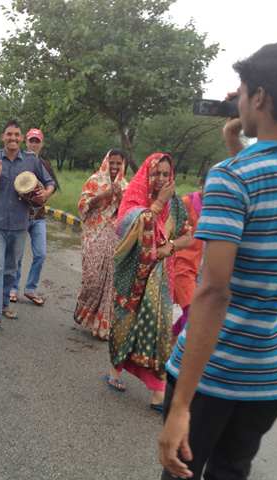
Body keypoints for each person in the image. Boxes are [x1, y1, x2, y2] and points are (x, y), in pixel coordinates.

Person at [159, 42, 277, 480]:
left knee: (181, 473)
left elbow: (214, 292)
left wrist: (179, 407)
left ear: (259, 98)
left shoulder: (231, 178)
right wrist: (236, 140)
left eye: (243, 89)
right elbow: (270, 204)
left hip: (213, 375)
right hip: (270, 377)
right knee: (233, 472)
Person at [105, 153, 192, 409]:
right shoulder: (134, 198)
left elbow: (188, 236)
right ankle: (115, 368)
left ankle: (158, 388)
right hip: (131, 275)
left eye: (167, 174)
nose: (162, 179)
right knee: (126, 322)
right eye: (157, 174)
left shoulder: (175, 205)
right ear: (148, 174)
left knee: (159, 328)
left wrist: (171, 245)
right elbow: (131, 228)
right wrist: (157, 203)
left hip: (161, 277)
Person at [0, 119, 57, 329]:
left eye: (16, 134)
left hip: (20, 225)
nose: (12, 138)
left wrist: (45, 193)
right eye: (9, 134)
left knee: (10, 269)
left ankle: (5, 304)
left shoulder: (31, 161)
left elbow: (50, 183)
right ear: (2, 136)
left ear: (21, 138)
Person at [74, 149, 129, 340]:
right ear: (106, 161)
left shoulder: (125, 186)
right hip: (93, 231)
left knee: (109, 282)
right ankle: (82, 304)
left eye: (118, 163)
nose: (114, 167)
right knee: (92, 275)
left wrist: (120, 196)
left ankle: (102, 326)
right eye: (111, 162)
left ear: (123, 164)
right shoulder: (94, 180)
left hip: (114, 235)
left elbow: (129, 214)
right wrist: (102, 195)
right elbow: (82, 206)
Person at [9, 128, 59, 306]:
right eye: (31, 140)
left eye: (37, 141)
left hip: (38, 217)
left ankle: (30, 288)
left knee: (40, 254)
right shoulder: (19, 161)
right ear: (25, 141)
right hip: (21, 215)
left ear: (41, 144)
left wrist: (46, 193)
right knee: (18, 255)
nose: (33, 144)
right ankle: (13, 289)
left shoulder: (45, 164)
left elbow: (51, 184)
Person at [171, 174, 205, 341]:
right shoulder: (187, 202)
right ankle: (172, 339)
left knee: (198, 311)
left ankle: (170, 336)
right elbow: (169, 227)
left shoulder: (217, 210)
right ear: (202, 183)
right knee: (192, 311)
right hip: (181, 265)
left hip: (200, 269)